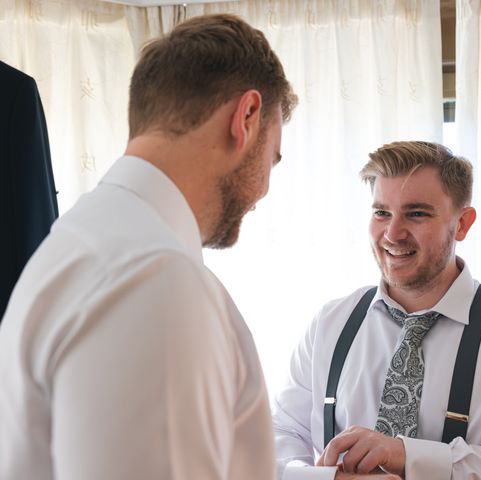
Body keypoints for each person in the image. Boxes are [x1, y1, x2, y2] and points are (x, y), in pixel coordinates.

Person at [0, 14, 297, 480]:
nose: (264, 191)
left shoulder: (86, 238)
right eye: (272, 157)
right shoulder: (153, 279)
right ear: (246, 118)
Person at [273, 141, 481, 480]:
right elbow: (275, 439)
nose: (393, 234)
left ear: (463, 224)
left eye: (417, 214)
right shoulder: (330, 324)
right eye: (382, 212)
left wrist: (408, 455)